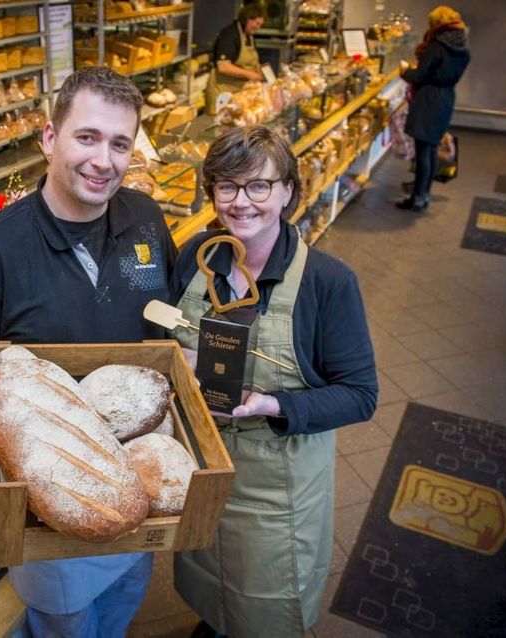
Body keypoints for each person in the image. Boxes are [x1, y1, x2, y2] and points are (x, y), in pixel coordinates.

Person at [0, 66, 177, 637]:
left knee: (123, 604)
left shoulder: (145, 218)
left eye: (120, 143)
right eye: (87, 137)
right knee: (65, 621)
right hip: (54, 503)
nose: (104, 160)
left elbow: (164, 334)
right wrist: (39, 472)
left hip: (132, 483)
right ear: (49, 138)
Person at [169, 125, 378, 637]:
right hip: (200, 464)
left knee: (264, 600)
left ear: (287, 191)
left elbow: (360, 395)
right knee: (206, 571)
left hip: (275, 485)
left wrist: (269, 403)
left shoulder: (327, 283)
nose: (242, 202)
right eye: (227, 186)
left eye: (259, 186)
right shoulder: (196, 258)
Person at [397, 5, 471, 211]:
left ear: (437, 24)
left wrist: (404, 72)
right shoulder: (463, 48)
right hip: (446, 98)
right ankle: (425, 193)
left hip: (428, 99)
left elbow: (420, 75)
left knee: (422, 151)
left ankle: (418, 198)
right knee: (431, 148)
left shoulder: (437, 46)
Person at [205, 2, 266, 114]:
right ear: (247, 18)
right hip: (222, 92)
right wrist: (251, 75)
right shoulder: (229, 35)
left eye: (260, 25)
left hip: (239, 93)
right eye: (256, 23)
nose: (258, 27)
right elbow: (224, 67)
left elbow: (253, 61)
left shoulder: (249, 35)